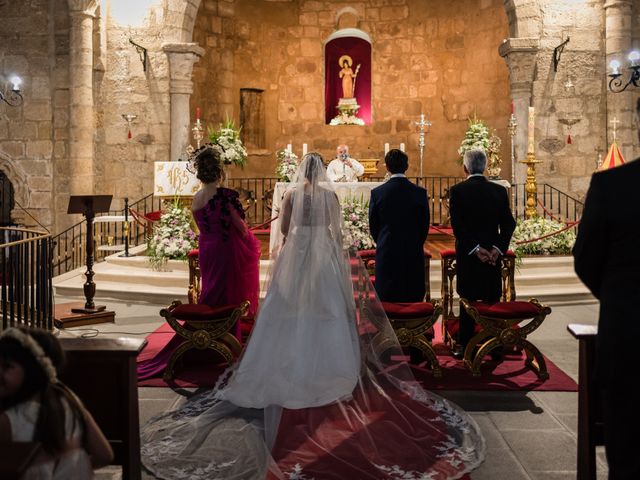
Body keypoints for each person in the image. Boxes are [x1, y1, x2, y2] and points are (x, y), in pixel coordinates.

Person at [140, 154, 485, 480]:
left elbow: (286, 231)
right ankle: (330, 367)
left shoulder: (290, 196)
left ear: (301, 171)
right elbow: (336, 233)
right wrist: (326, 248)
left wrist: (298, 245)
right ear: (324, 172)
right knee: (327, 310)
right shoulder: (330, 198)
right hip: (323, 255)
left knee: (288, 310)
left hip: (297, 255)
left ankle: (285, 361)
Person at [573, 97, 640, 479]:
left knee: (629, 457)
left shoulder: (612, 186)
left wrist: (622, 301)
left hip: (630, 341)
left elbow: (586, 261)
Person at [0, 327, 113, 479]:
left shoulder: (9, 420)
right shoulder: (71, 402)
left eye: (6, 366)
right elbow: (104, 455)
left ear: (31, 369)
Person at [449, 149, 516, 359]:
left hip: (470, 255)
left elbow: (458, 226)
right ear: (485, 166)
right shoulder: (498, 191)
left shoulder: (458, 191)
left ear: (465, 168)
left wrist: (476, 250)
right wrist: (497, 249)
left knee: (467, 298)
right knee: (491, 298)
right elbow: (508, 224)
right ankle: (494, 344)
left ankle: (464, 344)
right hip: (492, 257)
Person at [191, 147, 261, 320]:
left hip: (206, 246)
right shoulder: (225, 195)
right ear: (219, 172)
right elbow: (240, 226)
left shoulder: (197, 197)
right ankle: (226, 324)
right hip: (225, 246)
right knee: (226, 287)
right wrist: (249, 239)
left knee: (211, 284)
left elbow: (199, 225)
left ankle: (208, 322)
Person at [369, 148, 430, 303]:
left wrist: (383, 240)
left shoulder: (378, 193)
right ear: (407, 166)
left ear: (387, 167)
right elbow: (424, 225)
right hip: (412, 249)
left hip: (387, 249)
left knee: (387, 295)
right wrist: (416, 241)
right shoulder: (419, 193)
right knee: (412, 292)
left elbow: (373, 225)